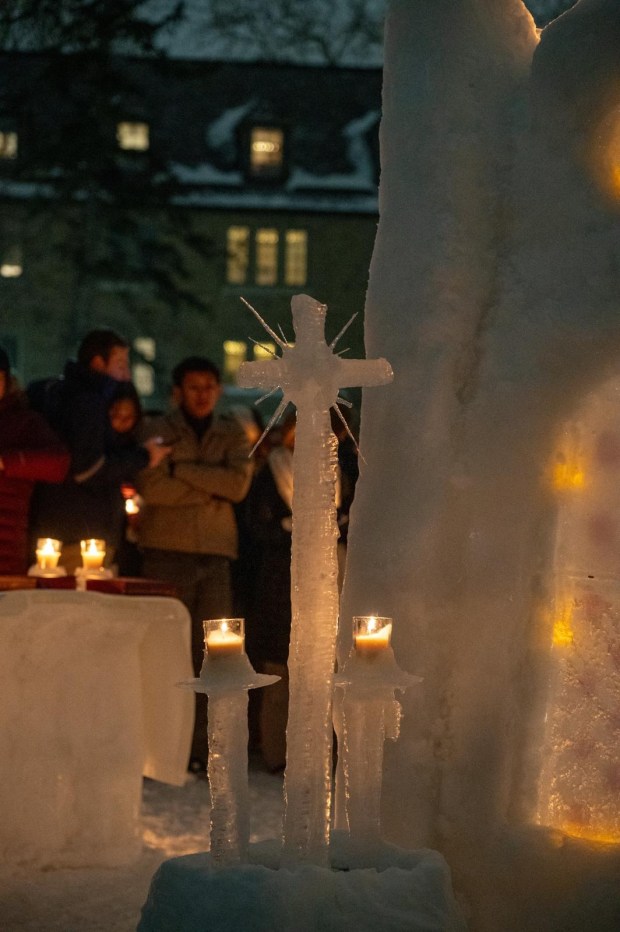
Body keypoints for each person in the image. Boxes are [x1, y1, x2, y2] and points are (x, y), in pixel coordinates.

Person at [136, 356, 254, 772]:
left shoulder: (232, 432)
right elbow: (152, 487)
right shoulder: (157, 430)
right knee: (167, 650)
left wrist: (181, 469)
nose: (202, 395)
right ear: (178, 391)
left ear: (218, 390)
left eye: (209, 386)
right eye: (193, 387)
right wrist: (209, 488)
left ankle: (205, 751)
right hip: (166, 551)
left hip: (216, 553)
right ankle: (165, 746)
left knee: (215, 655)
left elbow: (236, 485)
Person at [29, 328, 166, 572]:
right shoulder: (88, 401)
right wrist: (144, 456)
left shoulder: (54, 392)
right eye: (120, 364)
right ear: (98, 362)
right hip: (83, 530)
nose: (126, 374)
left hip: (50, 526)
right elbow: (88, 469)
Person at [0, 346, 70, 575]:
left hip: (6, 549)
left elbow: (58, 464)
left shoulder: (24, 422)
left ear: (7, 382)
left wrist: (6, 462)